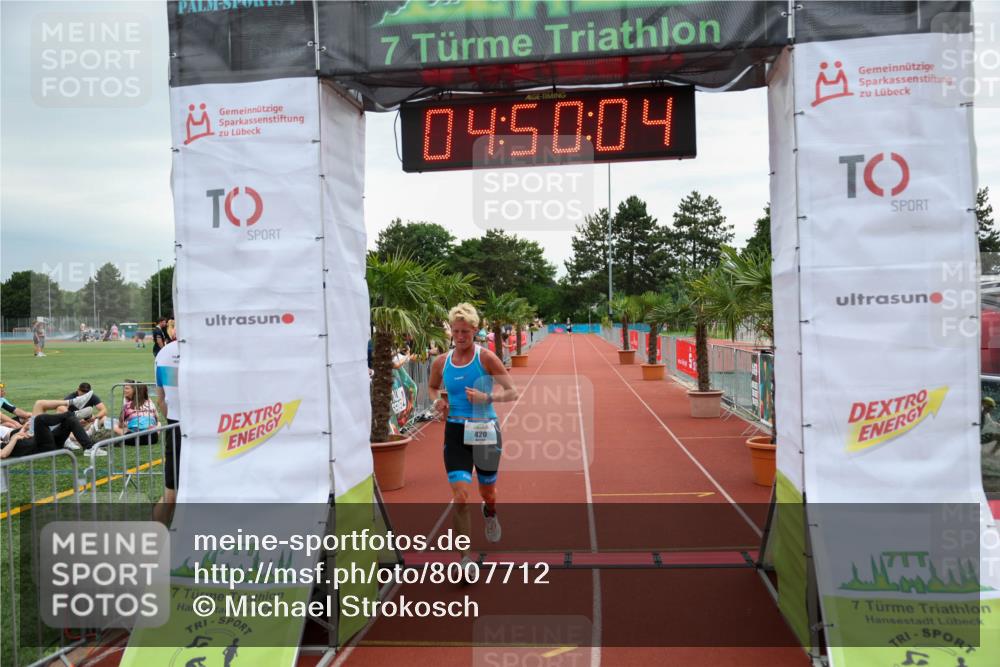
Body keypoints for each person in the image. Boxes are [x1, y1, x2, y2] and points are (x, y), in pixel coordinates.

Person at [428, 303, 519, 579]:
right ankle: (465, 558)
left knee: (487, 493)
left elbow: (512, 392)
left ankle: (490, 513)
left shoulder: (487, 358)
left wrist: (487, 398)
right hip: (455, 432)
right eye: (455, 331)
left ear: (475, 331)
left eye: (465, 331)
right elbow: (432, 388)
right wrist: (437, 403)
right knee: (460, 496)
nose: (460, 336)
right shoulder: (441, 362)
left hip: (485, 429)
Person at [1, 397, 96, 459]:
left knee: (69, 421)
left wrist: (23, 430)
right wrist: (14, 438)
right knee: (40, 419)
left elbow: (14, 436)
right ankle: (70, 413)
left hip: (48, 443)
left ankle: (89, 447)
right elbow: (2, 454)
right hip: (41, 449)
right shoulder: (9, 442)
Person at [154, 331, 181, 525]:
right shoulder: (211, 352)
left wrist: (172, 420)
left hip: (176, 425)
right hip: (208, 427)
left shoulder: (164, 353)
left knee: (171, 492)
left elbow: (161, 399)